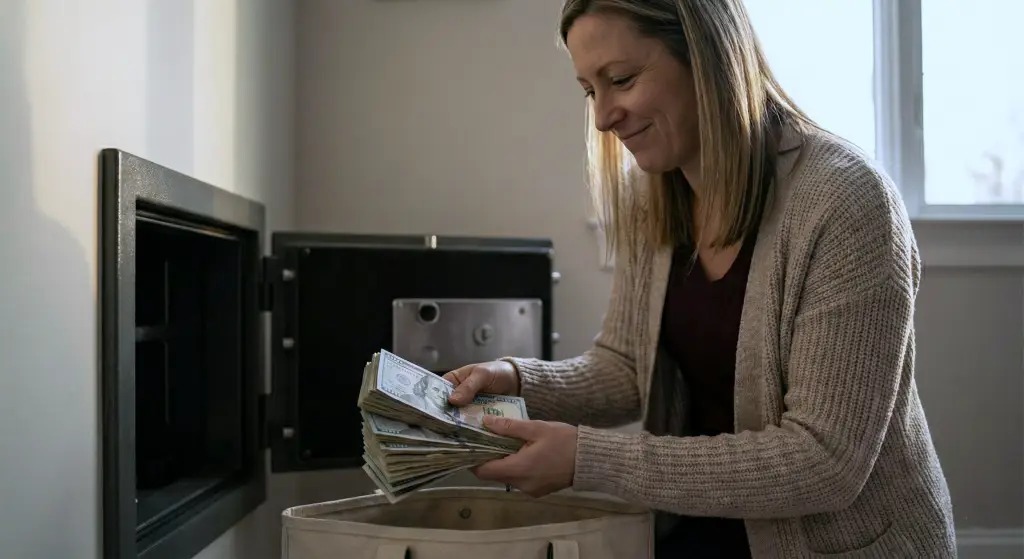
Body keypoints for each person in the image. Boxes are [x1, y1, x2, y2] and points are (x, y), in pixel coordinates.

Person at [442, 0, 957, 556]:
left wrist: (585, 459)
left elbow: (825, 462)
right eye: (591, 91)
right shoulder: (653, 195)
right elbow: (628, 368)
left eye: (622, 79)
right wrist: (516, 379)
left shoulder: (846, 201)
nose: (603, 117)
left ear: (708, 59)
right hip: (697, 531)